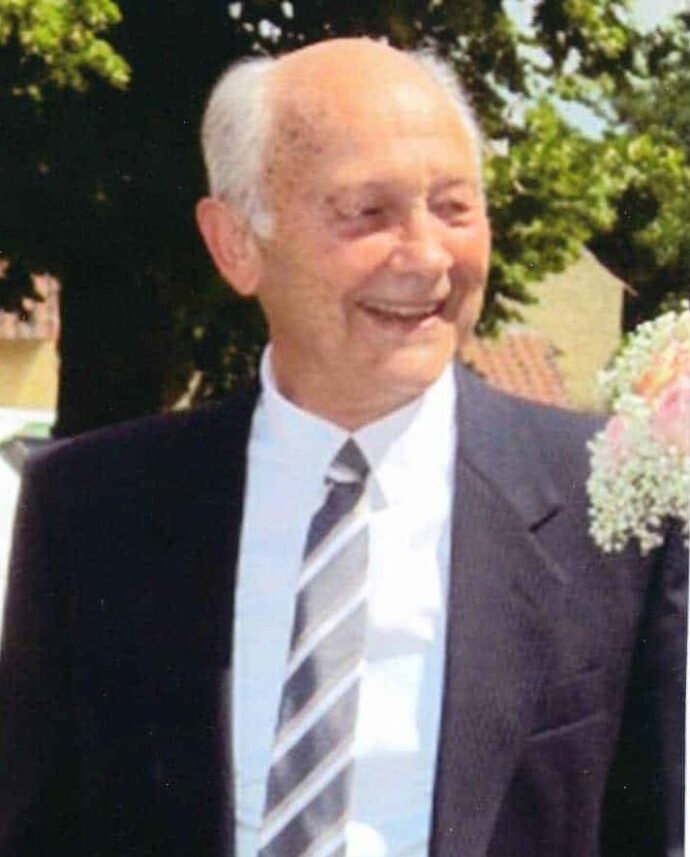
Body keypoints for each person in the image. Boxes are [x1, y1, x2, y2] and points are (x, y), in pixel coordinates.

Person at [0, 38, 685, 857]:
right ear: (236, 243)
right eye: (368, 213)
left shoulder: (613, 506)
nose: (426, 256)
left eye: (455, 208)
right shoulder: (90, 507)